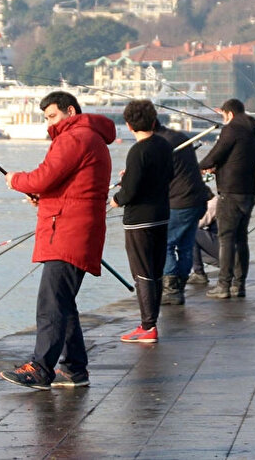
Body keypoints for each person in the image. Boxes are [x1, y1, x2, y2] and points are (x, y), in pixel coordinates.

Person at [0, 91, 116, 390]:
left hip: (67, 230)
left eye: (52, 116)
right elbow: (71, 186)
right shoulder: (90, 138)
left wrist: (16, 180)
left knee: (50, 303)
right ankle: (74, 368)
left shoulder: (75, 137)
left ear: (70, 111)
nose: (49, 123)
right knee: (63, 301)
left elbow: (44, 176)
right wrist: (45, 197)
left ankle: (41, 369)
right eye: (46, 118)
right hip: (76, 227)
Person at [110, 100, 174, 343]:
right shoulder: (163, 145)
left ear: (128, 125)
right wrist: (132, 177)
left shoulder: (137, 151)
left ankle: (148, 327)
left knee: (142, 273)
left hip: (139, 220)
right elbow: (168, 175)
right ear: (154, 120)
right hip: (161, 215)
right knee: (155, 271)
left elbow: (130, 192)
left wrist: (117, 199)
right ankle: (151, 322)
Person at [199, 98, 255, 300]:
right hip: (248, 191)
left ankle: (223, 285)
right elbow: (237, 159)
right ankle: (239, 285)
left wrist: (199, 167)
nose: (224, 120)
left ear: (230, 114)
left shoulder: (231, 129)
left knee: (226, 238)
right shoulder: (253, 132)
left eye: (224, 116)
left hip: (230, 192)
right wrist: (219, 168)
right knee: (241, 239)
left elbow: (215, 154)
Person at [152, 119, 212, 304]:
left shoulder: (159, 143)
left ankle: (171, 290)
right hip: (197, 199)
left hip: (179, 201)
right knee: (186, 245)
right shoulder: (179, 137)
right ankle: (179, 287)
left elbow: (156, 175)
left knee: (165, 244)